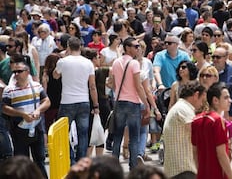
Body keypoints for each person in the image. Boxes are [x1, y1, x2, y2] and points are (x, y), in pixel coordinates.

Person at [53, 37, 100, 165]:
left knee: (63, 133)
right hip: (83, 101)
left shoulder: (62, 61)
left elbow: (55, 75)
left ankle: (71, 158)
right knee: (83, 133)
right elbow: (92, 86)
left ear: (68, 46)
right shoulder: (88, 63)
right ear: (80, 47)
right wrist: (95, 104)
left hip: (67, 101)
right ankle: (81, 160)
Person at [2, 60, 51, 178]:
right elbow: (4, 107)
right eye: (14, 72)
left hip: (36, 129)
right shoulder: (9, 90)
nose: (16, 74)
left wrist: (38, 110)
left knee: (39, 161)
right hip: (19, 131)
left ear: (27, 72)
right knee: (21, 162)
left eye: (19, 71)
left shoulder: (36, 86)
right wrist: (21, 114)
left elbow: (46, 101)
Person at [110, 37, 149, 170]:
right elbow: (138, 86)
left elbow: (113, 84)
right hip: (133, 103)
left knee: (118, 135)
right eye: (135, 46)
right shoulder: (134, 64)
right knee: (134, 137)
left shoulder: (115, 63)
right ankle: (133, 167)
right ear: (127, 47)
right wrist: (147, 104)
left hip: (119, 101)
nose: (137, 48)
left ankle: (113, 166)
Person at [163, 81, 206, 179]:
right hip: (183, 170)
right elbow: (199, 132)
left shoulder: (180, 107)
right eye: (202, 100)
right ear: (196, 95)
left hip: (178, 169)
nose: (201, 104)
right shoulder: (184, 109)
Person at [191, 82, 232, 179]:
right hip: (218, 174)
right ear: (215, 100)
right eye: (226, 98)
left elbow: (195, 152)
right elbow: (221, 154)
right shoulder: (218, 120)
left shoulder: (196, 120)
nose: (230, 101)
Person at [212, 47, 232, 121]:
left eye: (218, 57)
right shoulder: (208, 72)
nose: (215, 60)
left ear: (226, 57)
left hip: (229, 115)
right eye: (213, 57)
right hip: (212, 114)